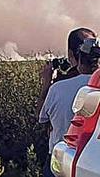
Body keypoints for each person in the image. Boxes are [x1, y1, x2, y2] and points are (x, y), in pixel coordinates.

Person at [39, 28, 99, 177]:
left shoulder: (57, 89)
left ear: (73, 56)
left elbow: (41, 118)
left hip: (61, 161)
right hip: (92, 162)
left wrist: (47, 83)